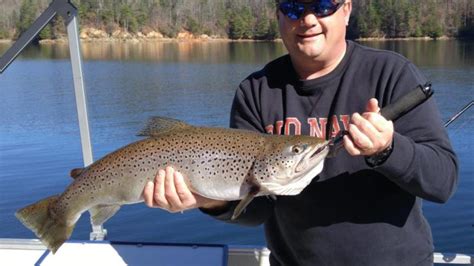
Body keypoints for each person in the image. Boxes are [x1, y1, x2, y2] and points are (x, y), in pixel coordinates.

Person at [143, 0, 459, 265]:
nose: (308, 19)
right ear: (279, 14)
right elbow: (258, 209)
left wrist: (388, 149)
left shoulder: (391, 74)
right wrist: (210, 202)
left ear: (346, 10)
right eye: (293, 7)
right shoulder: (256, 92)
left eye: (322, 5)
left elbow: (442, 182)